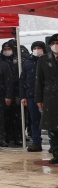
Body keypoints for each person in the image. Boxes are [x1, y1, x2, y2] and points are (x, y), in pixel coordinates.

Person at [35, 34, 58, 164]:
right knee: (53, 127)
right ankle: (56, 153)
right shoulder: (43, 60)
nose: (56, 45)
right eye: (53, 43)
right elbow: (39, 80)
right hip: (50, 96)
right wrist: (39, 99)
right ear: (49, 45)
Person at [22, 41, 45, 152]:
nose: (37, 50)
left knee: (50, 119)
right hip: (31, 95)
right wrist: (23, 96)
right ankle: (36, 142)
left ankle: (53, 143)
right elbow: (23, 80)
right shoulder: (27, 62)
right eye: (35, 48)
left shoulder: (48, 61)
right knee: (34, 120)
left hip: (47, 95)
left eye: (39, 48)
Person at [0, 41, 22, 146]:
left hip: (16, 91)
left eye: (8, 49)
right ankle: (7, 135)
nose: (6, 51)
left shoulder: (18, 61)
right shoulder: (0, 61)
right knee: (5, 116)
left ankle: (17, 136)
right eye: (5, 49)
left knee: (17, 116)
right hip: (3, 92)